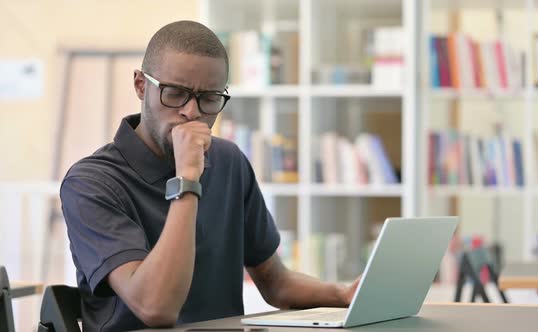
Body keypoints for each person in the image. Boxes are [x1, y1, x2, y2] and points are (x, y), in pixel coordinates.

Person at [60, 20, 359, 331]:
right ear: (140, 85)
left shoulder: (229, 162)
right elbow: (156, 308)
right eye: (175, 93)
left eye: (210, 98)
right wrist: (187, 179)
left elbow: (276, 283)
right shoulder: (91, 183)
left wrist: (343, 293)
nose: (192, 112)